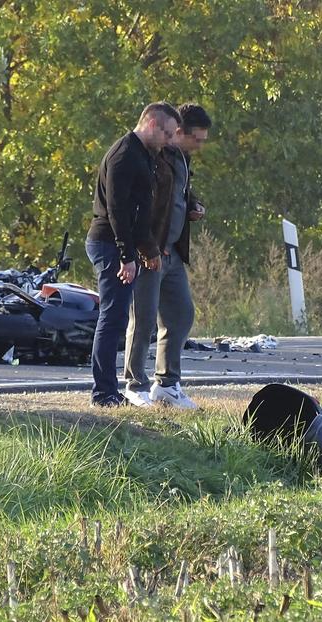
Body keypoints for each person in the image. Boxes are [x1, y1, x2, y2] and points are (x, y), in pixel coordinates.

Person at [85, 102, 181, 407]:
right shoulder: (125, 155)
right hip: (109, 242)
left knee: (115, 317)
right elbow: (117, 210)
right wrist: (127, 255)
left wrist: (147, 248)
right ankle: (103, 393)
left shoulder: (145, 155)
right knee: (112, 318)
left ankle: (109, 390)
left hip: (122, 244)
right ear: (151, 124)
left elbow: (141, 213)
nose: (169, 140)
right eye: (166, 133)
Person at [123, 103, 212, 409]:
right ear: (180, 133)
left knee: (181, 314)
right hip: (151, 251)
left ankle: (167, 384)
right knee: (144, 319)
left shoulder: (181, 160)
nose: (200, 146)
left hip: (172, 252)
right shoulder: (157, 157)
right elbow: (144, 206)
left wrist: (193, 206)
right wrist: (147, 248)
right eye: (196, 139)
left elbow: (178, 196)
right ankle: (134, 383)